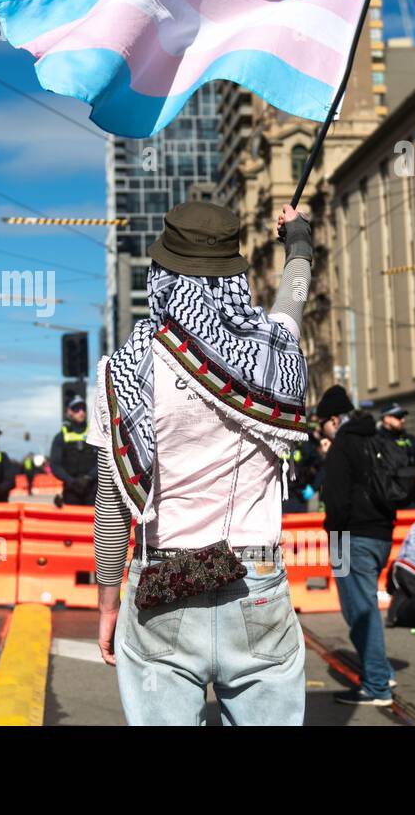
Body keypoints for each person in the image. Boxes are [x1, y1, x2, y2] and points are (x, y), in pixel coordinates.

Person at [91, 201, 311, 725]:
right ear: (234, 272)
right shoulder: (276, 347)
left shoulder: (125, 371)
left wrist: (106, 605)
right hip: (256, 582)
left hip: (163, 585)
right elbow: (294, 292)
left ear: (160, 274)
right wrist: (298, 238)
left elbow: (111, 507)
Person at [318, 384, 396, 707]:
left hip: (349, 538)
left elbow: (335, 501)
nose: (319, 429)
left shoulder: (342, 446)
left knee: (359, 611)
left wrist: (333, 535)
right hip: (381, 536)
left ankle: (377, 685)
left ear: (334, 420)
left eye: (321, 422)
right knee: (366, 607)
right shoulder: (375, 438)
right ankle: (383, 671)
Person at [48, 396, 97, 508]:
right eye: (76, 409)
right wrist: (71, 481)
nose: (81, 412)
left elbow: (104, 460)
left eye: (83, 408)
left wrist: (88, 478)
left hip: (93, 490)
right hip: (71, 491)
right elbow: (55, 465)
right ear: (69, 412)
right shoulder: (61, 437)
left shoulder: (95, 434)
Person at [281, 429, 323, 514]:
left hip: (298, 495)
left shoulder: (306, 443)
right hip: (278, 493)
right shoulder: (276, 439)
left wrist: (313, 487)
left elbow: (321, 467)